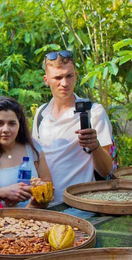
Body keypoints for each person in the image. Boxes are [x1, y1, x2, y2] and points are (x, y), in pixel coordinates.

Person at [33, 50, 113, 202]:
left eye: (69, 76)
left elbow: (106, 170)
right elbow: (36, 161)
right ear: (46, 80)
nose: (64, 83)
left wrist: (95, 146)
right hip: (48, 206)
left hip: (82, 205)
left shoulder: (94, 112)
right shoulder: (40, 114)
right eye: (58, 77)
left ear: (75, 75)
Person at [0, 96, 53, 207]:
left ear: (19, 124)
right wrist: (1, 193)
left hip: (35, 219)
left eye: (12, 123)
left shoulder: (33, 148)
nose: (5, 129)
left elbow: (48, 186)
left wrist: (34, 193)